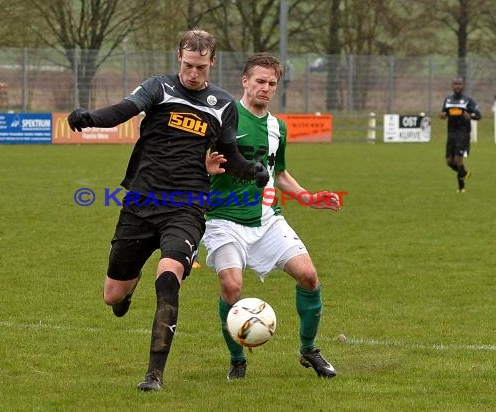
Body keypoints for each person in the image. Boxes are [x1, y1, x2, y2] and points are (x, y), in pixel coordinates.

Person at [67, 30, 268, 392]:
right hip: (141, 203)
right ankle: (127, 293)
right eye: (188, 65)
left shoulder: (222, 104)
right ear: (179, 57)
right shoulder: (159, 88)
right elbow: (123, 111)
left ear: (212, 62)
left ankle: (153, 375)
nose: (194, 73)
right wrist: (90, 118)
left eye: (201, 66)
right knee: (113, 294)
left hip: (187, 206)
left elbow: (229, 156)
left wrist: (251, 170)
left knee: (168, 276)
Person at [201, 53, 341, 381]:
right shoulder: (223, 117)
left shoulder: (279, 127)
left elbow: (279, 173)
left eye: (272, 83)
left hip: (266, 219)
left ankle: (309, 349)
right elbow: (195, 164)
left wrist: (308, 197)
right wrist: (204, 169)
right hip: (223, 220)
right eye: (260, 81)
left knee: (308, 276)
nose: (265, 88)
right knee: (232, 286)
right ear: (245, 82)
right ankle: (237, 359)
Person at [439, 76, 481, 193]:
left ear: (463, 86)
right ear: (452, 86)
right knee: (449, 161)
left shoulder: (468, 100)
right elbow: (444, 113)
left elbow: (479, 116)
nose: (457, 86)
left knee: (458, 159)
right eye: (455, 84)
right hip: (451, 132)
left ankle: (461, 188)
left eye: (460, 84)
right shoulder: (448, 100)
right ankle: (465, 173)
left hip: (463, 133)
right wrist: (442, 115)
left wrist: (471, 116)